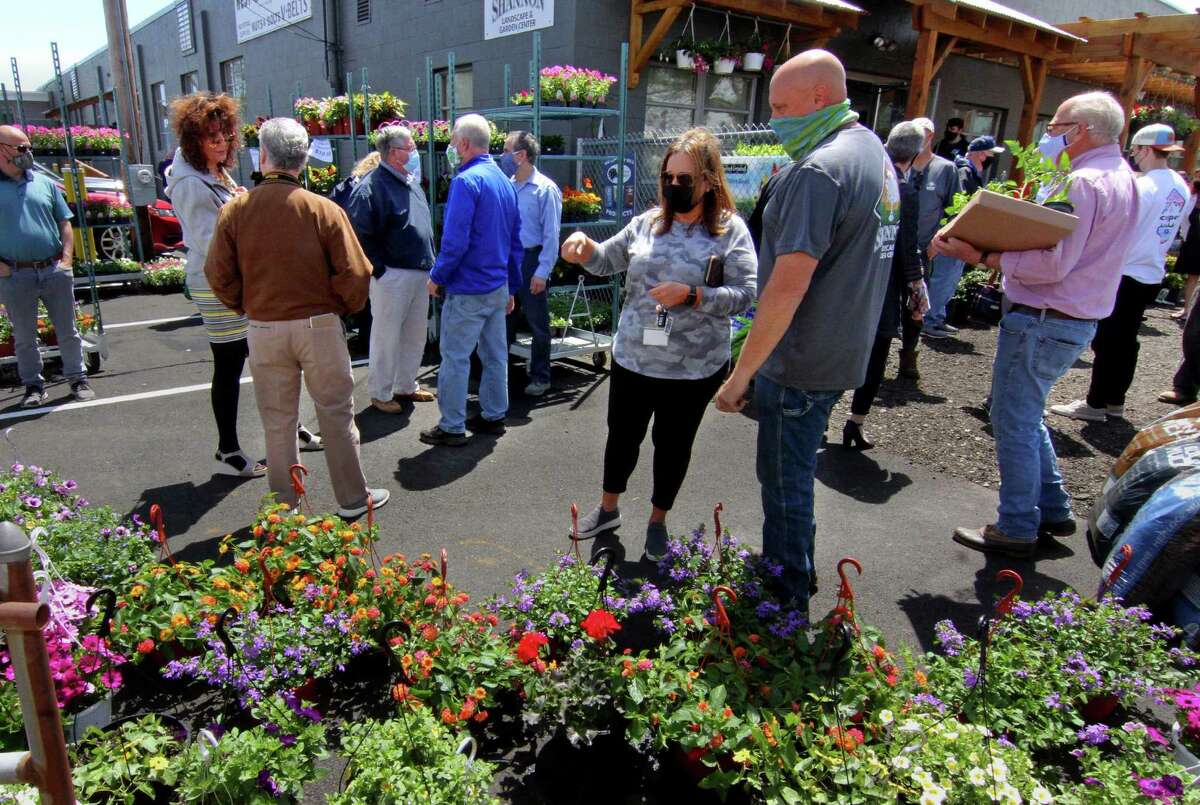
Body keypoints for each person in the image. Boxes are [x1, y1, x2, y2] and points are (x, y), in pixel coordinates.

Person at [713, 50, 899, 612]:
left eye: (780, 106)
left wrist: (741, 374)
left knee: (784, 476)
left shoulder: (819, 170)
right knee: (791, 469)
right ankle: (791, 564)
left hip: (802, 357)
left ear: (820, 97)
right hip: (842, 346)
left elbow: (787, 287)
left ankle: (787, 589)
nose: (774, 119)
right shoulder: (873, 151)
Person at [933, 90, 1140, 558]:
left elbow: (1052, 264)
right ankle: (1051, 508)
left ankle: (1017, 525)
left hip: (1043, 318)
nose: (1050, 135)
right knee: (1026, 416)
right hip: (1071, 319)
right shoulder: (1122, 178)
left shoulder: (1082, 183)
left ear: (1081, 130)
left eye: (1056, 126)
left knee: (1013, 421)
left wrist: (983, 255)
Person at [561, 127, 756, 560]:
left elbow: (745, 295)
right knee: (622, 438)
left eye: (684, 179)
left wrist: (693, 296)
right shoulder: (646, 224)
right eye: (668, 177)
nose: (673, 186)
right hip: (634, 357)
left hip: (693, 368)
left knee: (673, 445)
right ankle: (608, 509)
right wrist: (583, 247)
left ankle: (657, 520)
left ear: (708, 180)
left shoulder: (730, 232)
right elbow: (605, 260)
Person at [204, 118, 388, 519]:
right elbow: (356, 272)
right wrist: (341, 308)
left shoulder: (235, 210)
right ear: (304, 160)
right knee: (336, 414)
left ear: (264, 156)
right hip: (318, 324)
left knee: (277, 421)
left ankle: (285, 507)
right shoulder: (324, 209)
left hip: (263, 326)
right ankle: (353, 499)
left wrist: (247, 306)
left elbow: (216, 272)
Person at [167, 93, 322, 477]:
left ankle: (290, 428)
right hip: (216, 281)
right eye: (211, 137)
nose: (221, 143)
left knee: (270, 359)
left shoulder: (214, 171)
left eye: (225, 136)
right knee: (231, 363)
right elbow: (212, 242)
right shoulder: (191, 182)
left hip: (240, 277)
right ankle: (228, 449)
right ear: (194, 139)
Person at [1051, 124, 1193, 423]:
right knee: (1127, 340)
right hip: (1151, 270)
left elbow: (1119, 228)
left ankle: (1095, 403)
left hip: (1125, 270)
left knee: (1108, 339)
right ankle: (1115, 400)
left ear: (1142, 149)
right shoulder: (1179, 185)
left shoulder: (1143, 186)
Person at [420, 114, 523, 447]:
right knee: (495, 355)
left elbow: (455, 242)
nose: (451, 148)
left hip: (467, 289)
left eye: (452, 143)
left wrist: (437, 278)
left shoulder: (466, 182)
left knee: (455, 357)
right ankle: (494, 415)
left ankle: (452, 425)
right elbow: (514, 241)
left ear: (463, 144)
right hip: (497, 287)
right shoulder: (505, 181)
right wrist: (512, 285)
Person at [842, 121, 926, 449]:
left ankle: (820, 419)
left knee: (840, 347)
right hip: (884, 286)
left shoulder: (865, 177)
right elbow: (907, 246)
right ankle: (856, 422)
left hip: (851, 280)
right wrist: (916, 288)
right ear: (917, 153)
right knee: (875, 354)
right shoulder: (903, 189)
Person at [0, 124, 94, 407]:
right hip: (14, 274)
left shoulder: (44, 183)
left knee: (68, 330)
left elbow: (64, 223)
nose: (28, 153)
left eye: (29, 147)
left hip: (53, 269)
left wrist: (66, 260)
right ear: (2, 149)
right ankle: (33, 386)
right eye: (21, 148)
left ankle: (77, 378)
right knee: (25, 336)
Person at [345, 125, 436, 414]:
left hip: (418, 272)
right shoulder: (372, 186)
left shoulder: (409, 181)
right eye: (409, 147)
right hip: (392, 275)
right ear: (393, 152)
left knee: (414, 333)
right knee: (386, 336)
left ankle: (406, 385)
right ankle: (381, 392)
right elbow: (358, 233)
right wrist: (380, 270)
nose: (414, 152)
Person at [922, 135, 1005, 338]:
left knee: (949, 279)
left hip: (962, 237)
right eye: (989, 153)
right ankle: (929, 319)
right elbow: (958, 207)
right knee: (942, 278)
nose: (990, 158)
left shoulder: (970, 173)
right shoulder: (964, 172)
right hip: (953, 236)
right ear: (980, 153)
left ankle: (938, 316)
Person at [501, 130, 562, 397]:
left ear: (521, 155)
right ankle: (501, 376)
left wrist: (542, 272)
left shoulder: (545, 189)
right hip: (510, 260)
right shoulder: (508, 186)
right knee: (504, 320)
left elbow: (552, 235)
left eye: (506, 150)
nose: (502, 155)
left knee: (538, 324)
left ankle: (540, 376)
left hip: (532, 259)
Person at [907, 117, 961, 372]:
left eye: (924, 134)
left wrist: (936, 243)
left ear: (931, 136)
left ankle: (909, 355)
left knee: (917, 304)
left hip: (922, 251)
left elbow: (955, 210)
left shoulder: (945, 169)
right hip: (893, 247)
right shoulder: (898, 164)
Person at [1170, 175, 1200, 322]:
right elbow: (1184, 220)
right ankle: (1187, 309)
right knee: (1192, 277)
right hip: (1193, 243)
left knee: (1193, 277)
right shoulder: (1191, 198)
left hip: (1194, 242)